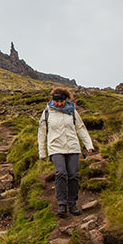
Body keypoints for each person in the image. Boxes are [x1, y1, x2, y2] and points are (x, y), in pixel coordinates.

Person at [38, 87, 94, 217]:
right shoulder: (47, 112)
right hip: (55, 147)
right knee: (60, 173)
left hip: (72, 147)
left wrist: (88, 145)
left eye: (61, 101)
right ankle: (62, 204)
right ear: (53, 100)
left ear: (66, 100)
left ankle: (72, 204)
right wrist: (42, 152)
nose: (59, 104)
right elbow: (42, 132)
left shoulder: (72, 111)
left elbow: (80, 128)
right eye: (56, 101)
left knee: (73, 175)